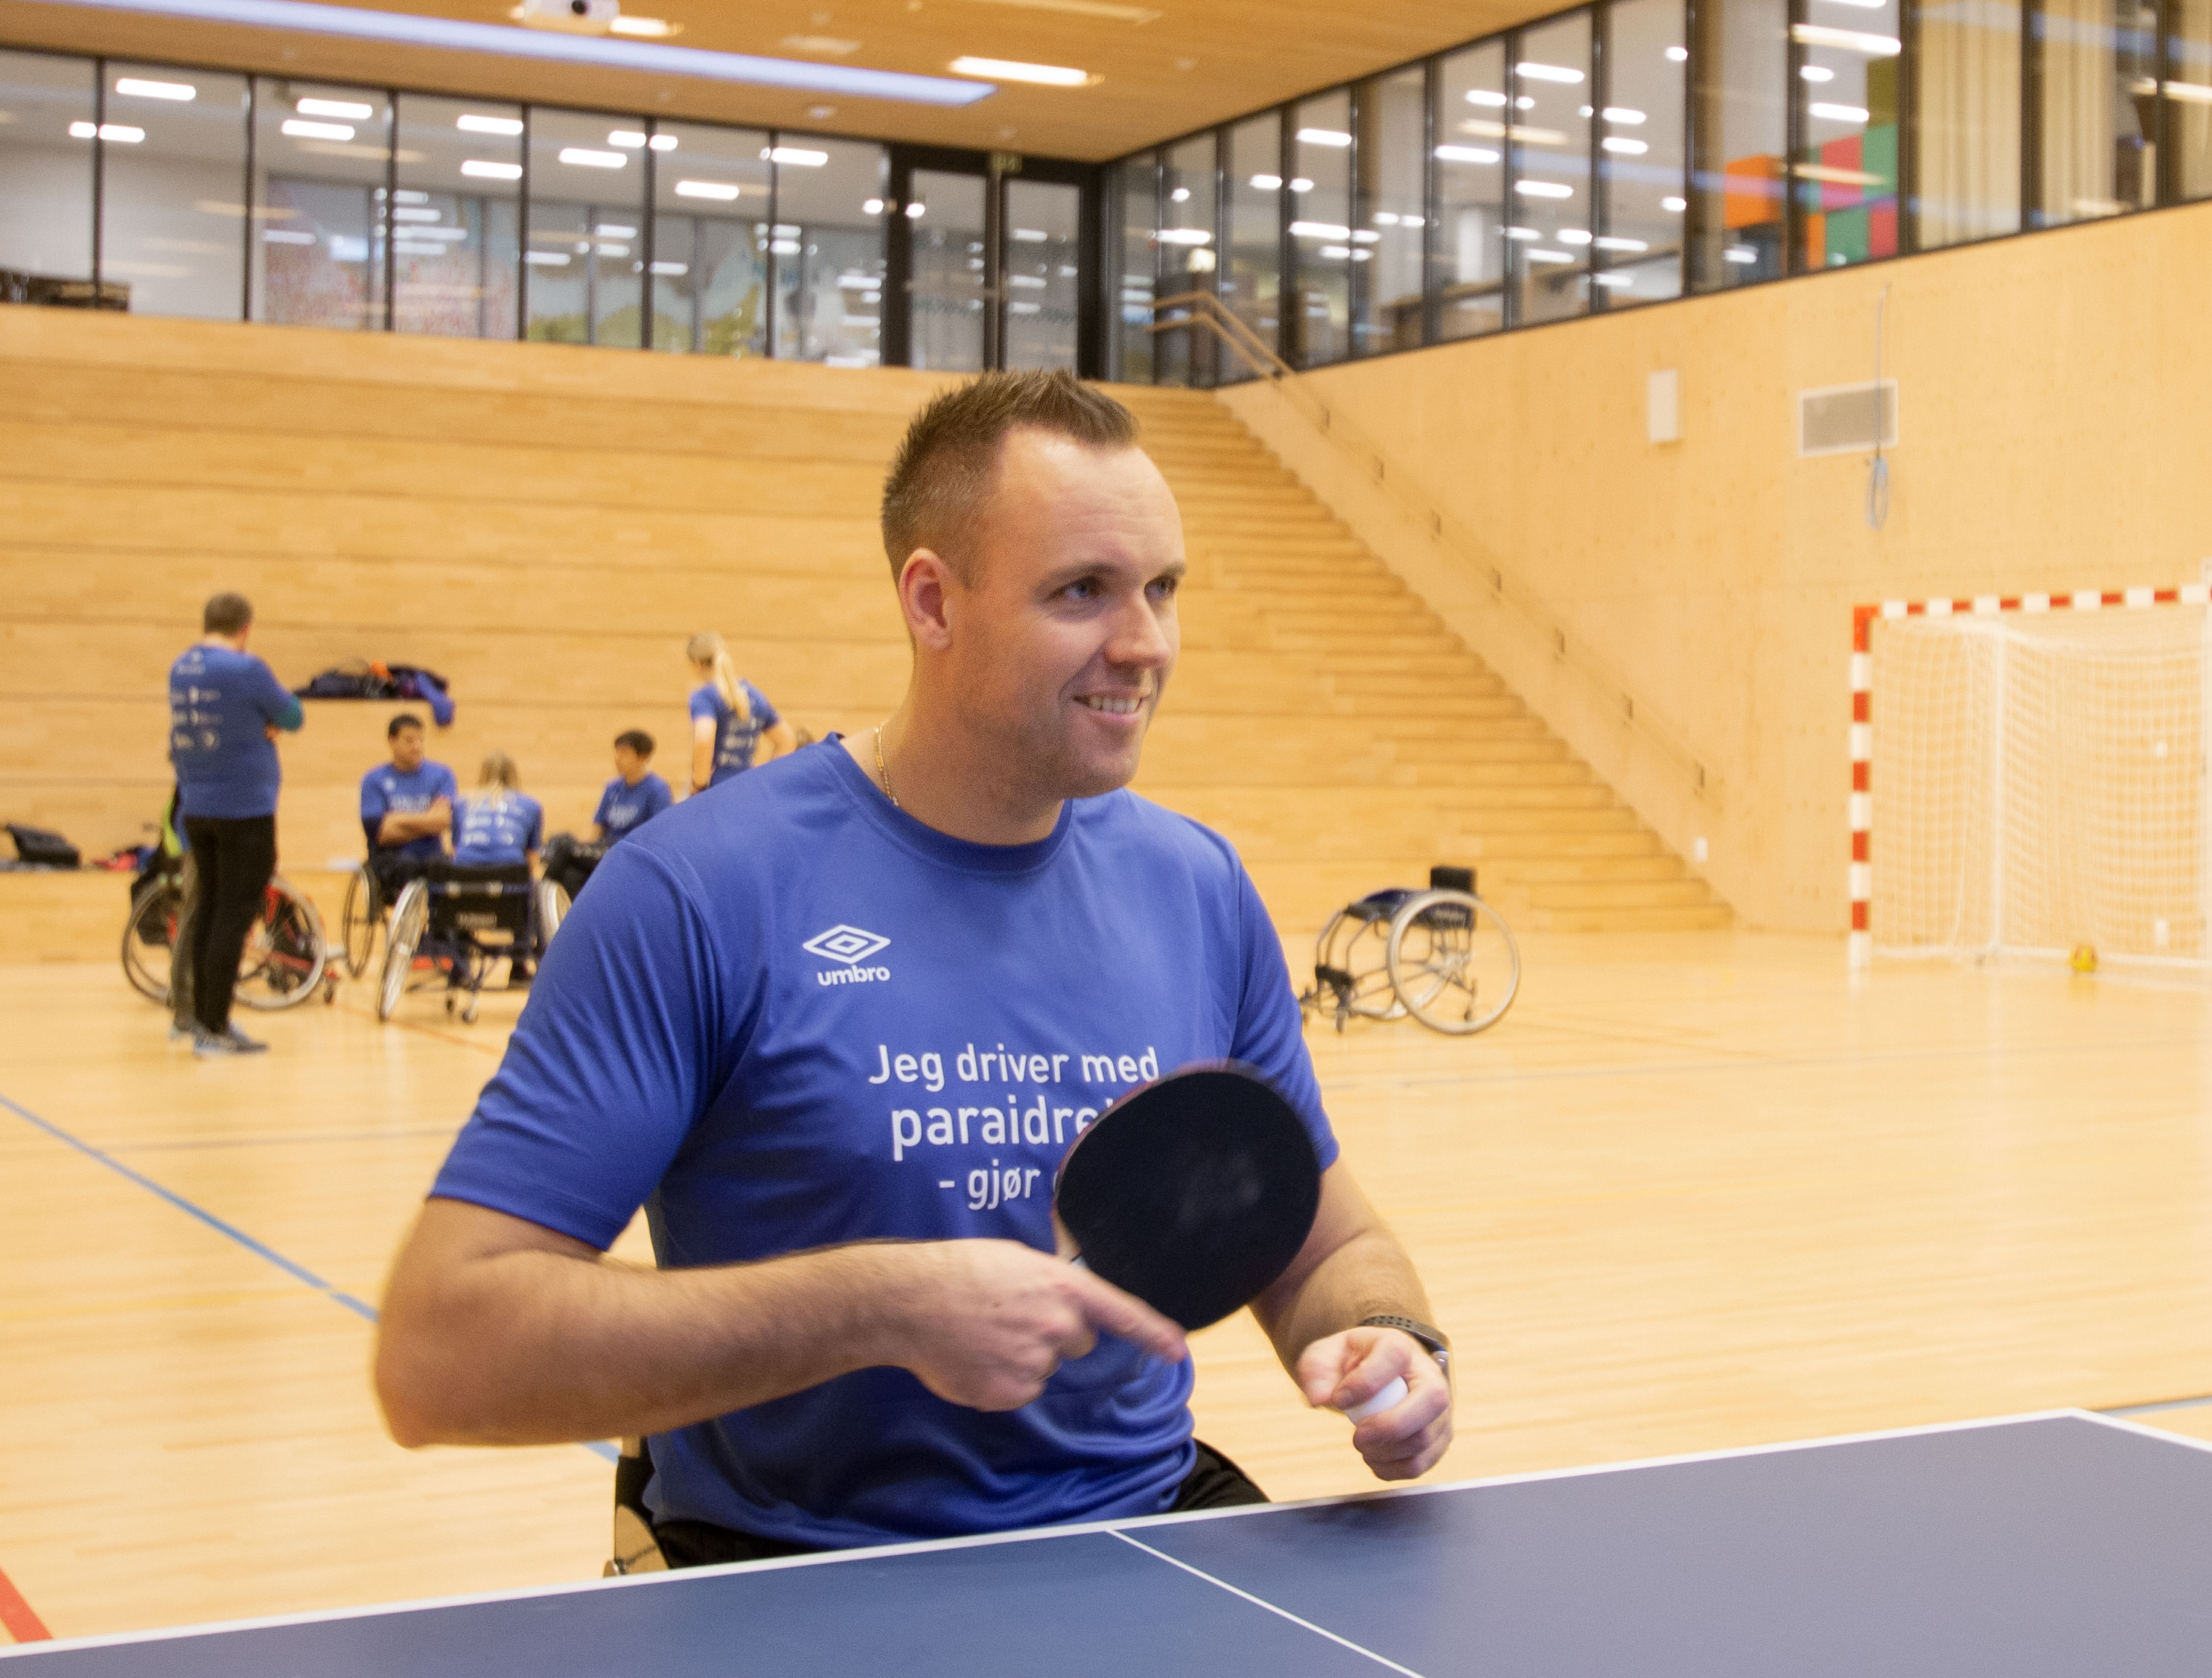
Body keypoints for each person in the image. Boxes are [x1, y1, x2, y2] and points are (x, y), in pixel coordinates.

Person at [377, 370, 1452, 1569]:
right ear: (932, 602)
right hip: (789, 1571)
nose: (1142, 643)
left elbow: (1325, 1248)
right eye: (1081, 591)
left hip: (1141, 1539)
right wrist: (877, 1308)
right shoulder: (695, 893)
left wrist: (1386, 1338)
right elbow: (440, 1356)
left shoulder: (1195, 886)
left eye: (1161, 588)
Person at [166, 591, 300, 1055]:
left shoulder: (181, 668)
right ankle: (216, 1026)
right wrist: (270, 722)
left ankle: (200, 1019)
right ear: (246, 628)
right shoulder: (247, 669)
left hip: (196, 806)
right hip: (244, 810)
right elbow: (292, 714)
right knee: (233, 916)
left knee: (206, 911)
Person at [357, 712, 458, 905]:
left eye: (420, 740)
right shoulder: (373, 780)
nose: (417, 746)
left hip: (431, 854)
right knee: (407, 864)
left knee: (445, 865)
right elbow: (380, 832)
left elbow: (443, 821)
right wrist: (428, 819)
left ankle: (448, 931)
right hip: (391, 857)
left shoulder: (442, 775)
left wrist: (395, 819)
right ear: (392, 741)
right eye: (409, 740)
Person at [680, 631, 788, 794]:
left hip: (715, 791)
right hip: (746, 789)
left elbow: (704, 739)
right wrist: (766, 780)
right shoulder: (754, 695)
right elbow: (786, 740)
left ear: (696, 663)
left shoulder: (704, 697)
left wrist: (699, 785)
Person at [579, 730, 674, 850]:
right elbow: (597, 826)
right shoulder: (612, 787)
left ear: (642, 757)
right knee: (562, 843)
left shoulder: (657, 789)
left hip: (633, 851)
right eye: (617, 752)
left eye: (624, 753)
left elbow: (660, 832)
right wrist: (582, 848)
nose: (618, 758)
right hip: (607, 849)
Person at [450, 752, 543, 868]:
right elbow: (532, 859)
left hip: (464, 873)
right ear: (513, 774)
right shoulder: (531, 805)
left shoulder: (461, 803)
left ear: (483, 774)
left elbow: (456, 851)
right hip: (511, 873)